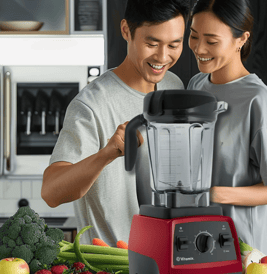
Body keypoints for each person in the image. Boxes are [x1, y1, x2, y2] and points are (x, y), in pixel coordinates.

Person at [41, 0, 190, 245]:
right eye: (151, 43)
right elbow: (51, 192)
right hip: (113, 264)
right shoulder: (91, 105)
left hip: (167, 256)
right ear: (126, 30)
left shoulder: (174, 86)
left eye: (174, 44)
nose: (163, 57)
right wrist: (107, 153)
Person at [187, 0, 267, 257]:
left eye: (211, 41)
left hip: (244, 249)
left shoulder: (259, 99)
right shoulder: (196, 85)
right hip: (198, 239)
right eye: (194, 35)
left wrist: (216, 194)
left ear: (241, 39)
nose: (199, 48)